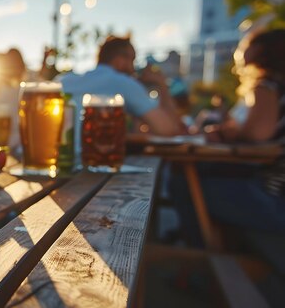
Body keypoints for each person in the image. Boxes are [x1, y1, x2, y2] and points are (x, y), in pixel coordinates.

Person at [171, 29, 285, 245]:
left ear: (260, 50)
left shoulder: (268, 85)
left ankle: (199, 257)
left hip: (274, 201)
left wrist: (229, 133)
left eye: (247, 42)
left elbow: (257, 133)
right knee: (193, 174)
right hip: (274, 195)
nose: (241, 48)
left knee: (185, 183)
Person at [61, 36, 185, 137]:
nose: (133, 68)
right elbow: (169, 129)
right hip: (93, 160)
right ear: (120, 60)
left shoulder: (66, 80)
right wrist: (161, 84)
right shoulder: (121, 82)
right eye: (133, 60)